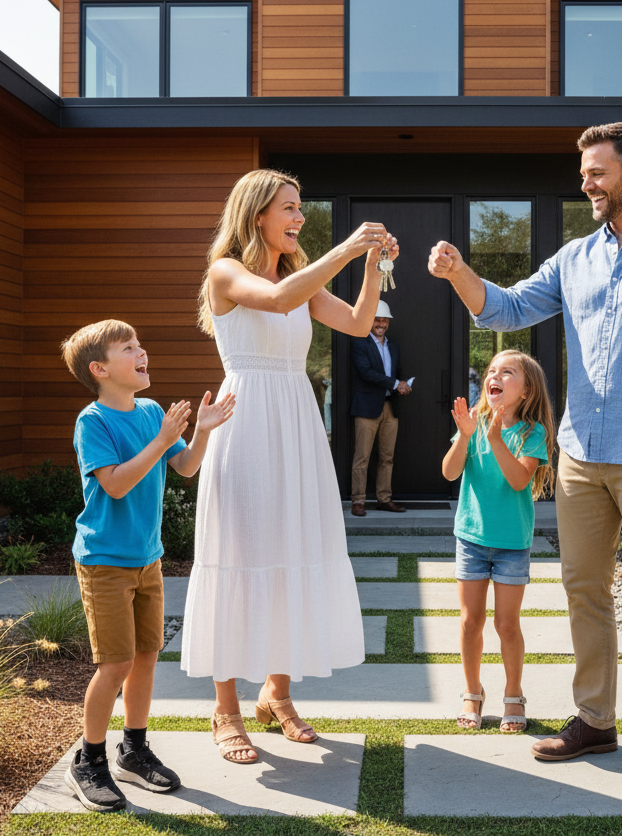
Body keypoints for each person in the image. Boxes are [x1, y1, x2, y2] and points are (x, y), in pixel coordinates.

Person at [428, 122, 622, 800]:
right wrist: (458, 274)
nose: (586, 183)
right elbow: (504, 310)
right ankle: (596, 720)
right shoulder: (574, 258)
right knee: (582, 590)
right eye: (584, 173)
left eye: (597, 172)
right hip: (577, 454)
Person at [181, 168, 398, 765]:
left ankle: (276, 694)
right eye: (290, 208)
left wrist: (375, 267)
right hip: (245, 421)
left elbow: (356, 323)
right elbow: (276, 301)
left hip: (295, 421)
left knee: (291, 546)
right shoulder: (227, 271)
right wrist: (349, 246)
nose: (299, 218)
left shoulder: (296, 276)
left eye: (300, 208)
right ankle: (225, 707)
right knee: (240, 552)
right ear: (257, 215)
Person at [60, 319, 234, 812]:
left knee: (145, 658)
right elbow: (115, 484)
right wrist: (160, 441)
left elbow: (186, 467)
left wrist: (199, 431)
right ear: (100, 369)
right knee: (114, 663)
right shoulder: (93, 421)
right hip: (104, 562)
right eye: (128, 347)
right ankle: (89, 761)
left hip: (147, 559)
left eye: (140, 345)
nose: (142, 353)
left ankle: (133, 751)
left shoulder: (152, 411)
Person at [443, 350, 555, 734]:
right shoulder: (474, 424)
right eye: (492, 371)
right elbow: (449, 471)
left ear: (525, 391)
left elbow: (520, 480)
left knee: (507, 624)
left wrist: (495, 438)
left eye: (508, 372)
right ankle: (472, 693)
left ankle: (513, 693)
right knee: (470, 621)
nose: (496, 376)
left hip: (511, 544)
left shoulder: (531, 433)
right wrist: (465, 436)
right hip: (472, 539)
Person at [349, 299, 412, 516]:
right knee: (362, 457)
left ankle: (384, 499)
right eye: (377, 319)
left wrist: (403, 385)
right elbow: (366, 373)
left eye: (385, 320)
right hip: (367, 409)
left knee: (387, 457)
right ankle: (358, 501)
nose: (381, 324)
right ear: (370, 321)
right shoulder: (360, 343)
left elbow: (398, 372)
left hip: (390, 408)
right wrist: (396, 384)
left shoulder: (393, 346)